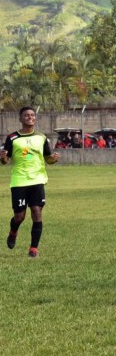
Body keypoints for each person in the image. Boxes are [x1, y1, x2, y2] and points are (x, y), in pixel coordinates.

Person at [0, 107, 60, 257]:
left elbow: (48, 158)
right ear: (20, 119)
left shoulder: (42, 137)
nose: (30, 117)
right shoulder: (12, 138)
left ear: (35, 119)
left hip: (37, 180)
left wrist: (53, 159)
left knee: (36, 212)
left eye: (32, 115)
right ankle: (13, 231)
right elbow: (5, 161)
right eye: (26, 115)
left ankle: (34, 249)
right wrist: (2, 156)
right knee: (20, 216)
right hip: (19, 181)